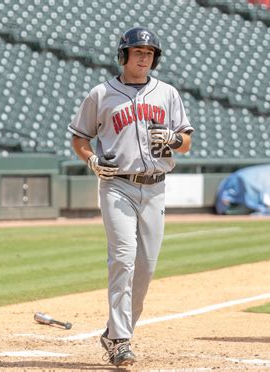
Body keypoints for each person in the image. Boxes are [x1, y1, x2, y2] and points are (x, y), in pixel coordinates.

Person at [68, 26, 194, 367]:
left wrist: (172, 137)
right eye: (138, 51)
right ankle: (121, 341)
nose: (144, 57)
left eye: (150, 53)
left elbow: (186, 141)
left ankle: (113, 333)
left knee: (146, 268)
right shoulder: (101, 94)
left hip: (155, 187)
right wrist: (92, 160)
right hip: (117, 185)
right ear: (124, 55)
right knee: (122, 259)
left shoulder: (167, 93)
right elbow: (80, 139)